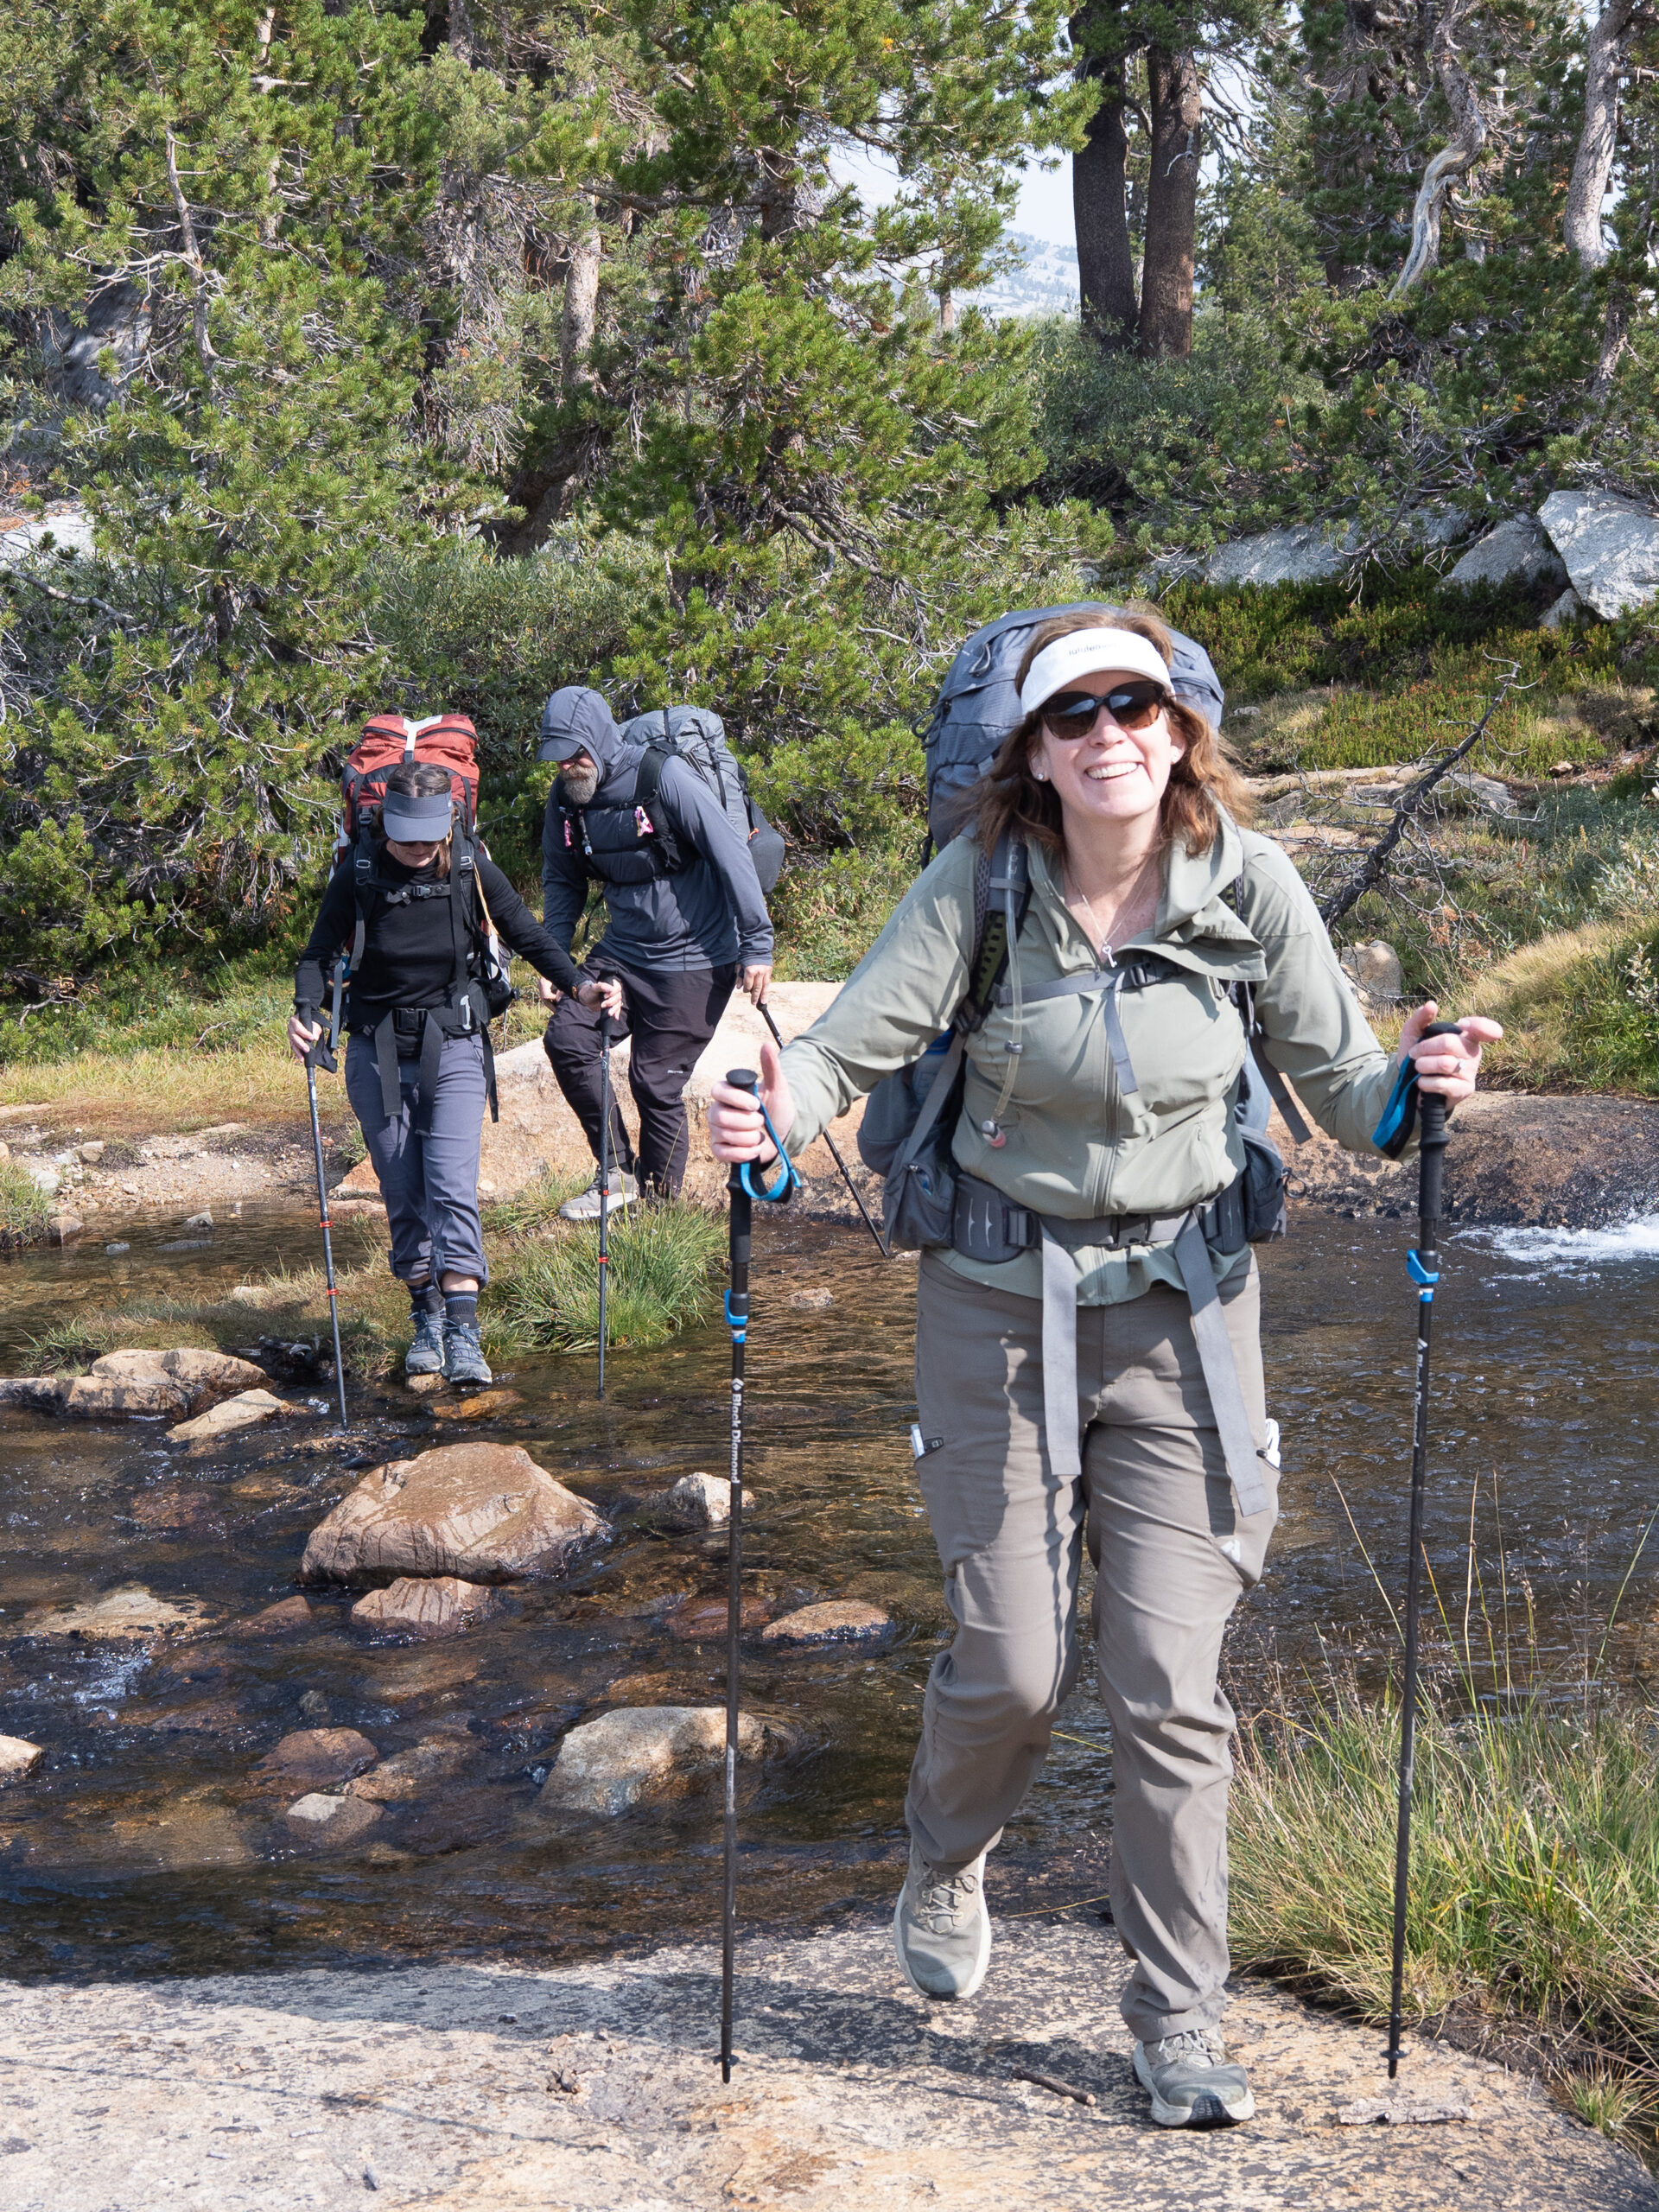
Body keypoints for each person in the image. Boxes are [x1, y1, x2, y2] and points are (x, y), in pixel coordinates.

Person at [707, 608, 1500, 2130]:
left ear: (1184, 732)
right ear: (1035, 753)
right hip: (996, 1315)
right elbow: (840, 1053)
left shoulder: (1251, 888)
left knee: (1170, 1692)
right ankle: (946, 1855)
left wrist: (1426, 1085)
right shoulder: (978, 891)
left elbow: (1352, 1094)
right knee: (1014, 1666)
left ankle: (1179, 2025)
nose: (1110, 736)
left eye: (1138, 707)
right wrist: (762, 1122)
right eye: (1076, 717)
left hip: (1192, 1323)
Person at [289, 760, 621, 1385]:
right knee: (403, 1188)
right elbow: (316, 958)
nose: (415, 847)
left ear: (448, 825)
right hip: (376, 1050)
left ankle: (464, 1333)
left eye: (426, 835)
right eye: (403, 834)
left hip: (457, 1043)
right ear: (383, 820)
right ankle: (426, 1316)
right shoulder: (358, 871)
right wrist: (305, 1012)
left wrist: (579, 985)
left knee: (450, 1184)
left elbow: (524, 932)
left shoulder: (467, 865)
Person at [537, 686, 774, 1218]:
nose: (567, 766)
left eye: (575, 753)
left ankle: (660, 1218)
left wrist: (756, 943)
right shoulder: (567, 798)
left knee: (653, 1081)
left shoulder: (663, 776)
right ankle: (617, 1173)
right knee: (569, 1039)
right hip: (624, 951)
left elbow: (730, 851)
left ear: (598, 740)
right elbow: (561, 879)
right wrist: (556, 957)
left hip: (696, 956)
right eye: (557, 757)